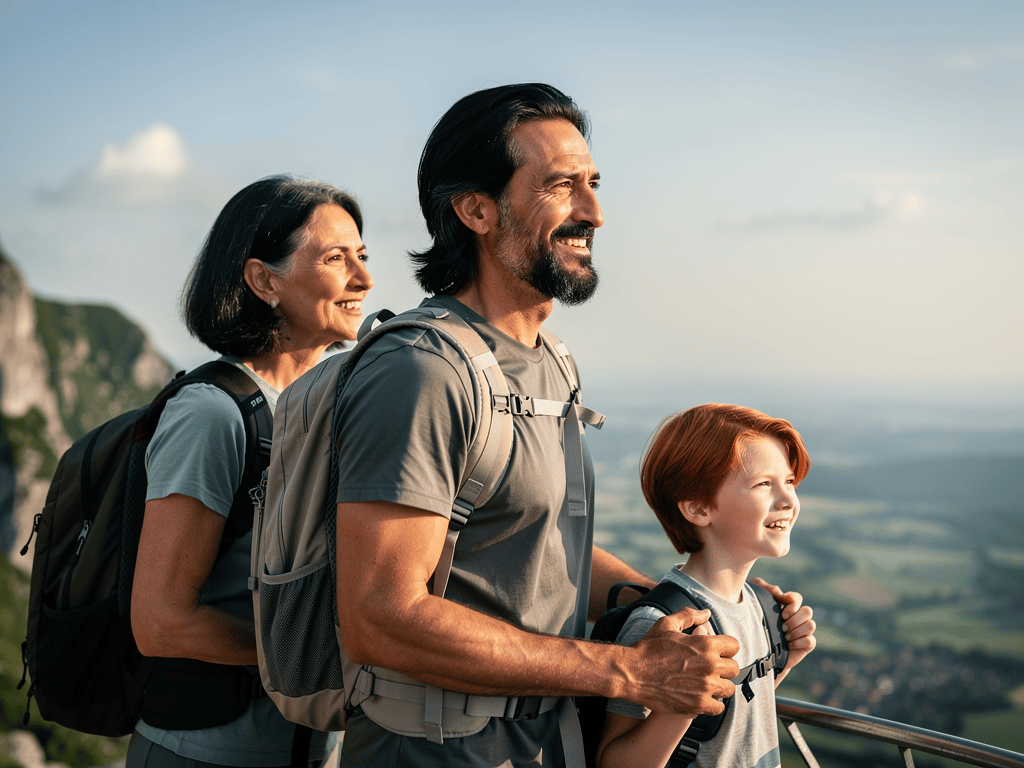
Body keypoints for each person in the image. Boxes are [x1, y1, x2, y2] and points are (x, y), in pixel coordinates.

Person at [333, 83, 739, 768]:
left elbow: (533, 549)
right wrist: (630, 673)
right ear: (476, 210)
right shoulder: (421, 371)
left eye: (593, 183)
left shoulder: (550, 362)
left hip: (538, 745)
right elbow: (382, 618)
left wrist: (682, 608)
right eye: (560, 186)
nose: (596, 212)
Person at [128, 176, 374, 768]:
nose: (363, 279)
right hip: (205, 753)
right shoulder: (211, 414)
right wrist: (316, 658)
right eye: (336, 258)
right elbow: (161, 622)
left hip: (313, 751)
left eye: (362, 256)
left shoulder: (336, 403)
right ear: (265, 280)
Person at [597, 404, 818, 768]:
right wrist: (684, 704)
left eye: (789, 481)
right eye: (764, 484)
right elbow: (614, 762)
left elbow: (730, 723)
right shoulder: (662, 625)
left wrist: (785, 660)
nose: (788, 500)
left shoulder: (757, 604)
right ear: (698, 508)